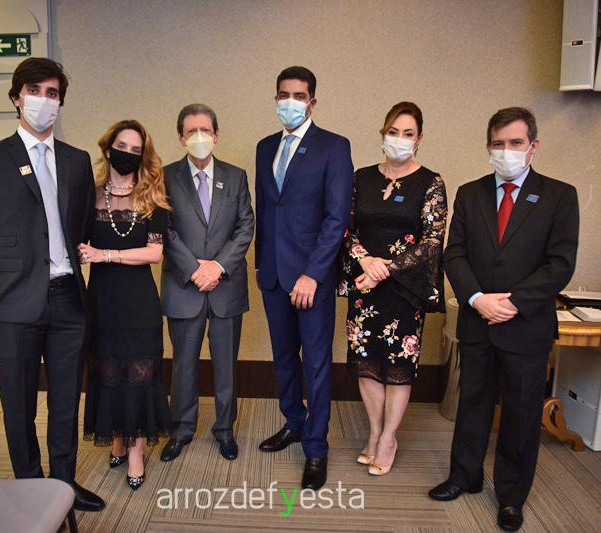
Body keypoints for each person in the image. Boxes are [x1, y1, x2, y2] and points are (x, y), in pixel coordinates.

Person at [0, 57, 104, 511]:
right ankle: (29, 485)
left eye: (52, 93)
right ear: (17, 98)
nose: (44, 100)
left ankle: (63, 484)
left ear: (61, 102)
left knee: (66, 400)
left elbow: (81, 224)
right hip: (14, 303)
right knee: (18, 403)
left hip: (68, 299)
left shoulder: (77, 161)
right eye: (35, 91)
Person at [429, 107, 579, 532]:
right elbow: (454, 253)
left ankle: (511, 496)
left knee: (521, 412)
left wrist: (513, 303)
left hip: (525, 324)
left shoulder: (559, 195)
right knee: (472, 403)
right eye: (498, 143)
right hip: (478, 321)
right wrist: (478, 299)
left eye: (515, 143)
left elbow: (560, 263)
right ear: (488, 146)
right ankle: (465, 475)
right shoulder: (470, 192)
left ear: (533, 146)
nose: (506, 151)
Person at [255, 66, 354, 490]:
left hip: (312, 278)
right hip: (273, 275)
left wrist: (313, 274)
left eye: (298, 95)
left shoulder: (334, 146)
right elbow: (266, 209)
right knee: (283, 357)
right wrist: (260, 265)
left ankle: (316, 448)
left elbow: (337, 218)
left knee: (315, 362)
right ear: (275, 98)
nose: (290, 102)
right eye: (284, 95)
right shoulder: (264, 147)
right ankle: (294, 422)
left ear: (312, 102)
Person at [340, 102, 447, 476]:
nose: (399, 139)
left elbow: (432, 240)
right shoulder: (360, 178)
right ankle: (374, 431)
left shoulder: (430, 182)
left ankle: (389, 437)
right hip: (364, 285)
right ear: (383, 134)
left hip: (405, 287)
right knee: (367, 363)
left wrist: (384, 269)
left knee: (398, 364)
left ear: (419, 139)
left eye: (408, 133)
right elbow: (345, 228)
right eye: (393, 132)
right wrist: (365, 261)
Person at [78, 120, 172, 490]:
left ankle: (135, 451)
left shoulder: (153, 196)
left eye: (136, 150)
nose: (128, 154)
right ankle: (117, 437)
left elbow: (154, 253)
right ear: (107, 148)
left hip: (139, 303)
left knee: (138, 377)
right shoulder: (89, 195)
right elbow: (76, 242)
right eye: (122, 147)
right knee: (109, 372)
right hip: (101, 302)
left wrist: (105, 254)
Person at [159, 104, 254, 463]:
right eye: (191, 131)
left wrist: (218, 267)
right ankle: (181, 429)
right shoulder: (165, 177)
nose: (199, 137)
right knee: (183, 363)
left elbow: (245, 225)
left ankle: (224, 430)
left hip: (225, 285)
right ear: (180, 137)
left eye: (205, 130)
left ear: (216, 135)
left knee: (226, 364)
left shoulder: (236, 176)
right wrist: (194, 269)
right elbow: (164, 230)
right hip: (184, 285)